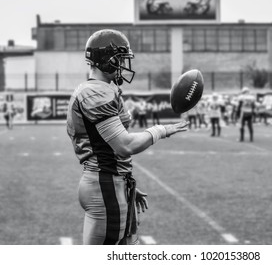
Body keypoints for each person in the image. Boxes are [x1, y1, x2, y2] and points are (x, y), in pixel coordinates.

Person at [66, 29, 188, 245]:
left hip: (111, 183)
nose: (123, 64)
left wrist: (123, 183)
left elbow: (109, 147)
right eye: (120, 58)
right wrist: (160, 130)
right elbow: (124, 145)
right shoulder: (95, 93)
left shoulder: (101, 89)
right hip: (104, 186)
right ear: (106, 60)